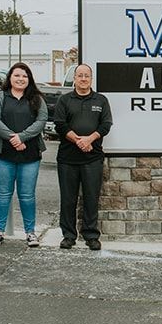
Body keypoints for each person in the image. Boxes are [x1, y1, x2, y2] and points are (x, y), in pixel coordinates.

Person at [0, 63, 48, 247]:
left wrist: (22, 137)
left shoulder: (36, 99)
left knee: (27, 195)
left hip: (29, 155)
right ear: (10, 78)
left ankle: (30, 233)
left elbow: (41, 120)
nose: (21, 79)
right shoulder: (0, 97)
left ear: (29, 79)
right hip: (2, 154)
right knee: (3, 194)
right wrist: (12, 138)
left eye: (24, 76)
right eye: (17, 75)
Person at [54, 64, 113, 250]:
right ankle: (69, 236)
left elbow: (106, 125)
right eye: (80, 75)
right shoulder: (64, 100)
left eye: (87, 76)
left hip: (93, 158)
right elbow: (60, 125)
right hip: (67, 159)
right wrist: (78, 140)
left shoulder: (101, 100)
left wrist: (89, 139)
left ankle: (91, 235)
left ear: (91, 79)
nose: (83, 79)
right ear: (75, 78)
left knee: (91, 198)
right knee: (68, 199)